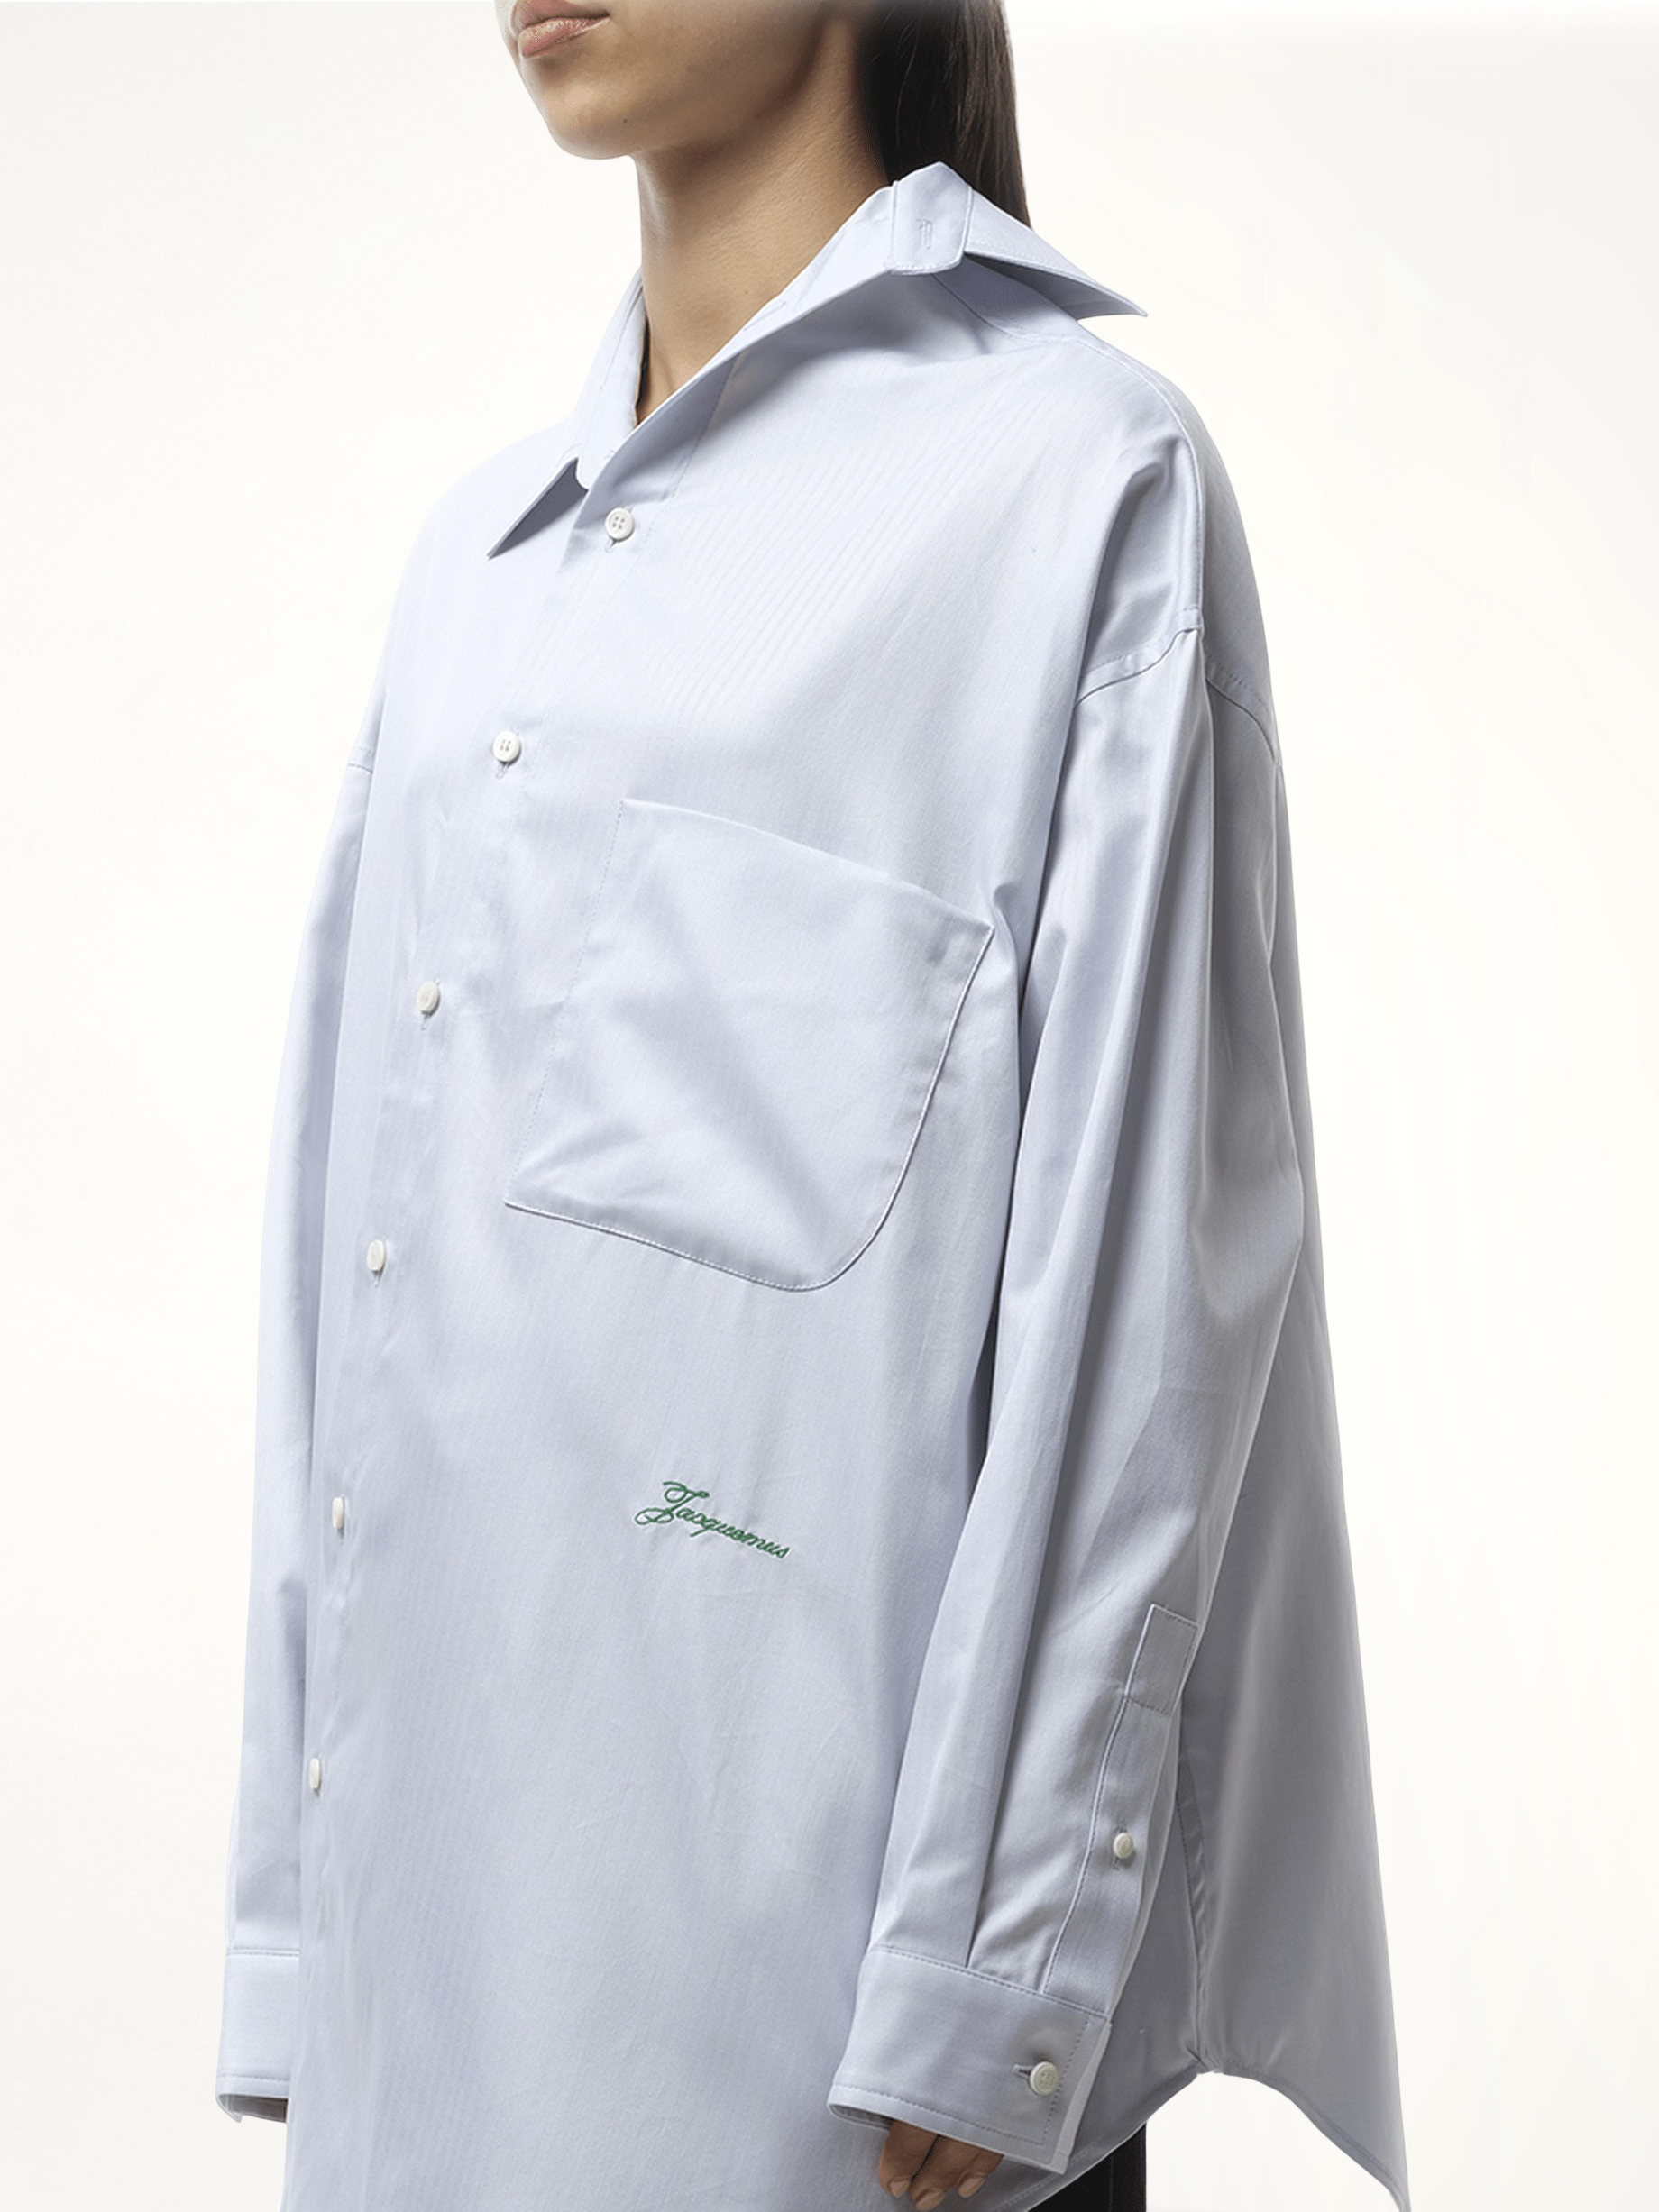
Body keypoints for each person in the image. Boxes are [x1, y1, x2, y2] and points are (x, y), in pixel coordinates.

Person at [213, 5, 1410, 2210]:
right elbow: (343, 1307)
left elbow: (1148, 1285)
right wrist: (298, 1936)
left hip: (831, 2059)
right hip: (432, 2017)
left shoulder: (1073, 483)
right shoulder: (472, 572)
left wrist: (997, 1965)